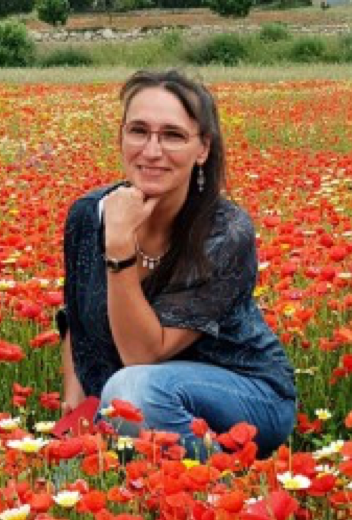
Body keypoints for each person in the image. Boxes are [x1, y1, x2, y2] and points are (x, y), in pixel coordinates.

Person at [57, 69, 296, 460]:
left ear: (202, 148)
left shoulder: (224, 231)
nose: (152, 151)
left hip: (246, 394)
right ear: (121, 137)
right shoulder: (88, 214)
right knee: (93, 441)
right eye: (138, 131)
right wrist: (76, 403)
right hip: (138, 396)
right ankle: (148, 461)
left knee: (131, 393)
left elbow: (143, 356)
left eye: (173, 135)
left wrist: (119, 247)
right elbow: (76, 317)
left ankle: (216, 478)